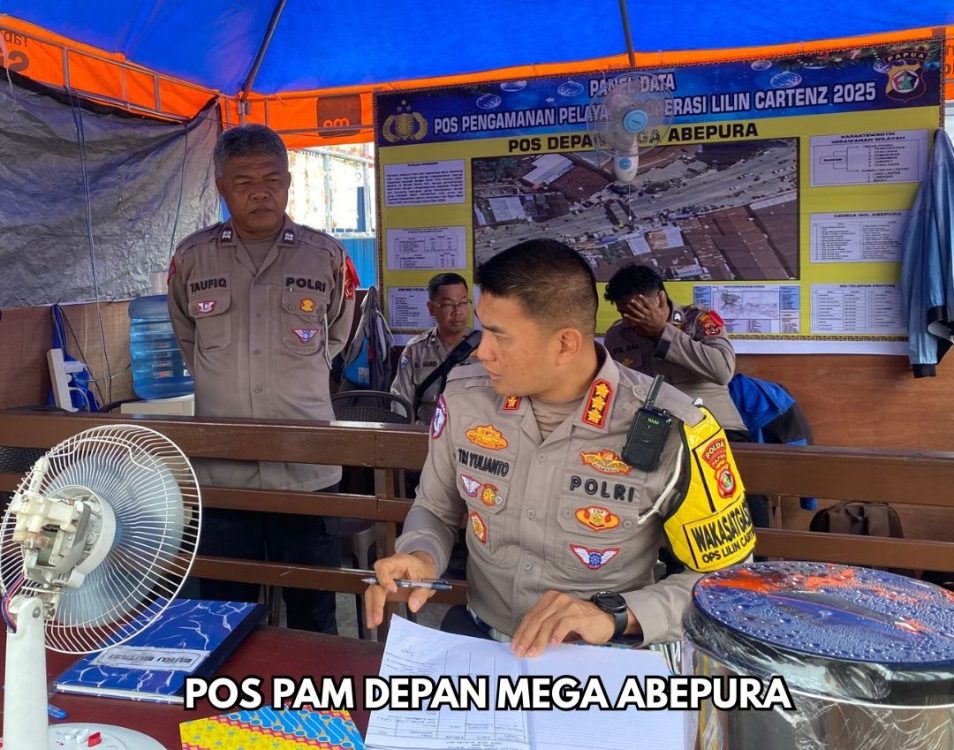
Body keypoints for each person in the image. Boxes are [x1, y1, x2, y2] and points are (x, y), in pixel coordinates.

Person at [365, 240, 754, 655]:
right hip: (484, 645)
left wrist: (614, 615)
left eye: (499, 336)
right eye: (483, 329)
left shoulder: (676, 428)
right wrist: (421, 555)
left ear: (565, 344)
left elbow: (728, 580)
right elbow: (435, 508)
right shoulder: (464, 399)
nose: (481, 351)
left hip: (604, 659)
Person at [168, 124, 357, 633]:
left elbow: (337, 336)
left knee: (312, 610)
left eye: (272, 179)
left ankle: (313, 684)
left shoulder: (325, 256)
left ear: (289, 182)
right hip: (224, 471)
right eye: (244, 181)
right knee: (224, 610)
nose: (260, 193)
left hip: (306, 470)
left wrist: (294, 373)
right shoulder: (192, 258)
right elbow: (188, 337)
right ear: (221, 187)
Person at [603, 264, 746, 435]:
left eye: (640, 311)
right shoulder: (617, 335)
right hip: (654, 432)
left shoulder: (698, 320)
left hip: (713, 426)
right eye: (624, 313)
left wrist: (663, 332)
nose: (631, 321)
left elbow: (723, 371)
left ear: (661, 298)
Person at [390, 273, 473, 424]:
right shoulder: (415, 350)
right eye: (448, 304)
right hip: (427, 433)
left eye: (463, 302)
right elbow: (400, 403)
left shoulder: (485, 347)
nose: (457, 311)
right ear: (431, 308)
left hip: (472, 434)